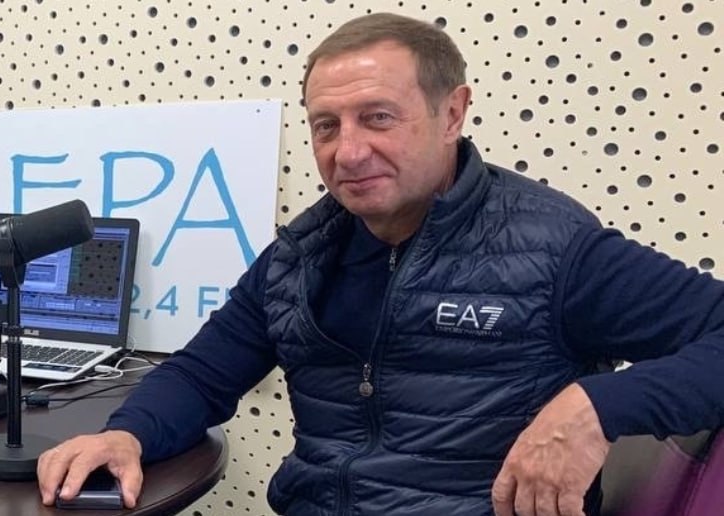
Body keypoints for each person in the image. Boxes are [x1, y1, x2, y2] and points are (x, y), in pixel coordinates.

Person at [37, 12, 724, 516]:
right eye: (326, 126)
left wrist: (595, 405)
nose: (348, 151)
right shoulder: (300, 255)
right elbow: (202, 372)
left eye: (378, 118)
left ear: (452, 113)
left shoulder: (556, 247)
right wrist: (126, 434)